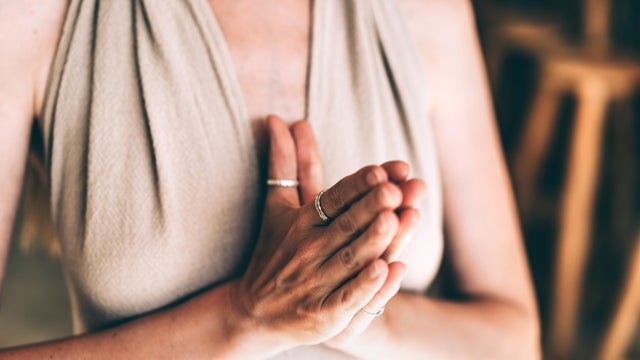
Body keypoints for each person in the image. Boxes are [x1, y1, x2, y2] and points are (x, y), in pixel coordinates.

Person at [0, 0, 540, 358]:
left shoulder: (427, 11)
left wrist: (345, 304)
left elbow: (513, 339)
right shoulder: (34, 13)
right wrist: (242, 317)